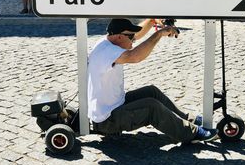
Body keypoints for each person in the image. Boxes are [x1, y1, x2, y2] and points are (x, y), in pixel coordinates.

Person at [88, 18, 218, 144]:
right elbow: (135, 56)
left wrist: (152, 20)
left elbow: (137, 36)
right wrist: (159, 34)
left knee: (152, 91)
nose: (134, 39)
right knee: (151, 106)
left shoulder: (109, 41)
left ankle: (187, 119)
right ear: (120, 37)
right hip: (107, 120)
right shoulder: (108, 51)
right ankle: (193, 133)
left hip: (115, 105)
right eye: (131, 36)